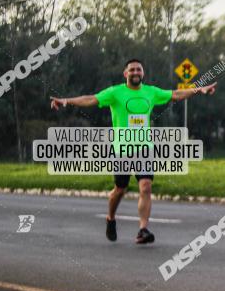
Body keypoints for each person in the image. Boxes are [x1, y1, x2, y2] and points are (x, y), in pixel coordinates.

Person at [50, 59, 216, 243]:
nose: (135, 72)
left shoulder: (151, 92)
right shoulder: (115, 92)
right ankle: (110, 218)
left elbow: (176, 94)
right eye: (132, 70)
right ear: (125, 74)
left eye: (139, 70)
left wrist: (198, 89)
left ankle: (143, 230)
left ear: (142, 74)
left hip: (145, 148)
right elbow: (90, 99)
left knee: (145, 186)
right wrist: (65, 101)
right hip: (121, 148)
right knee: (120, 189)